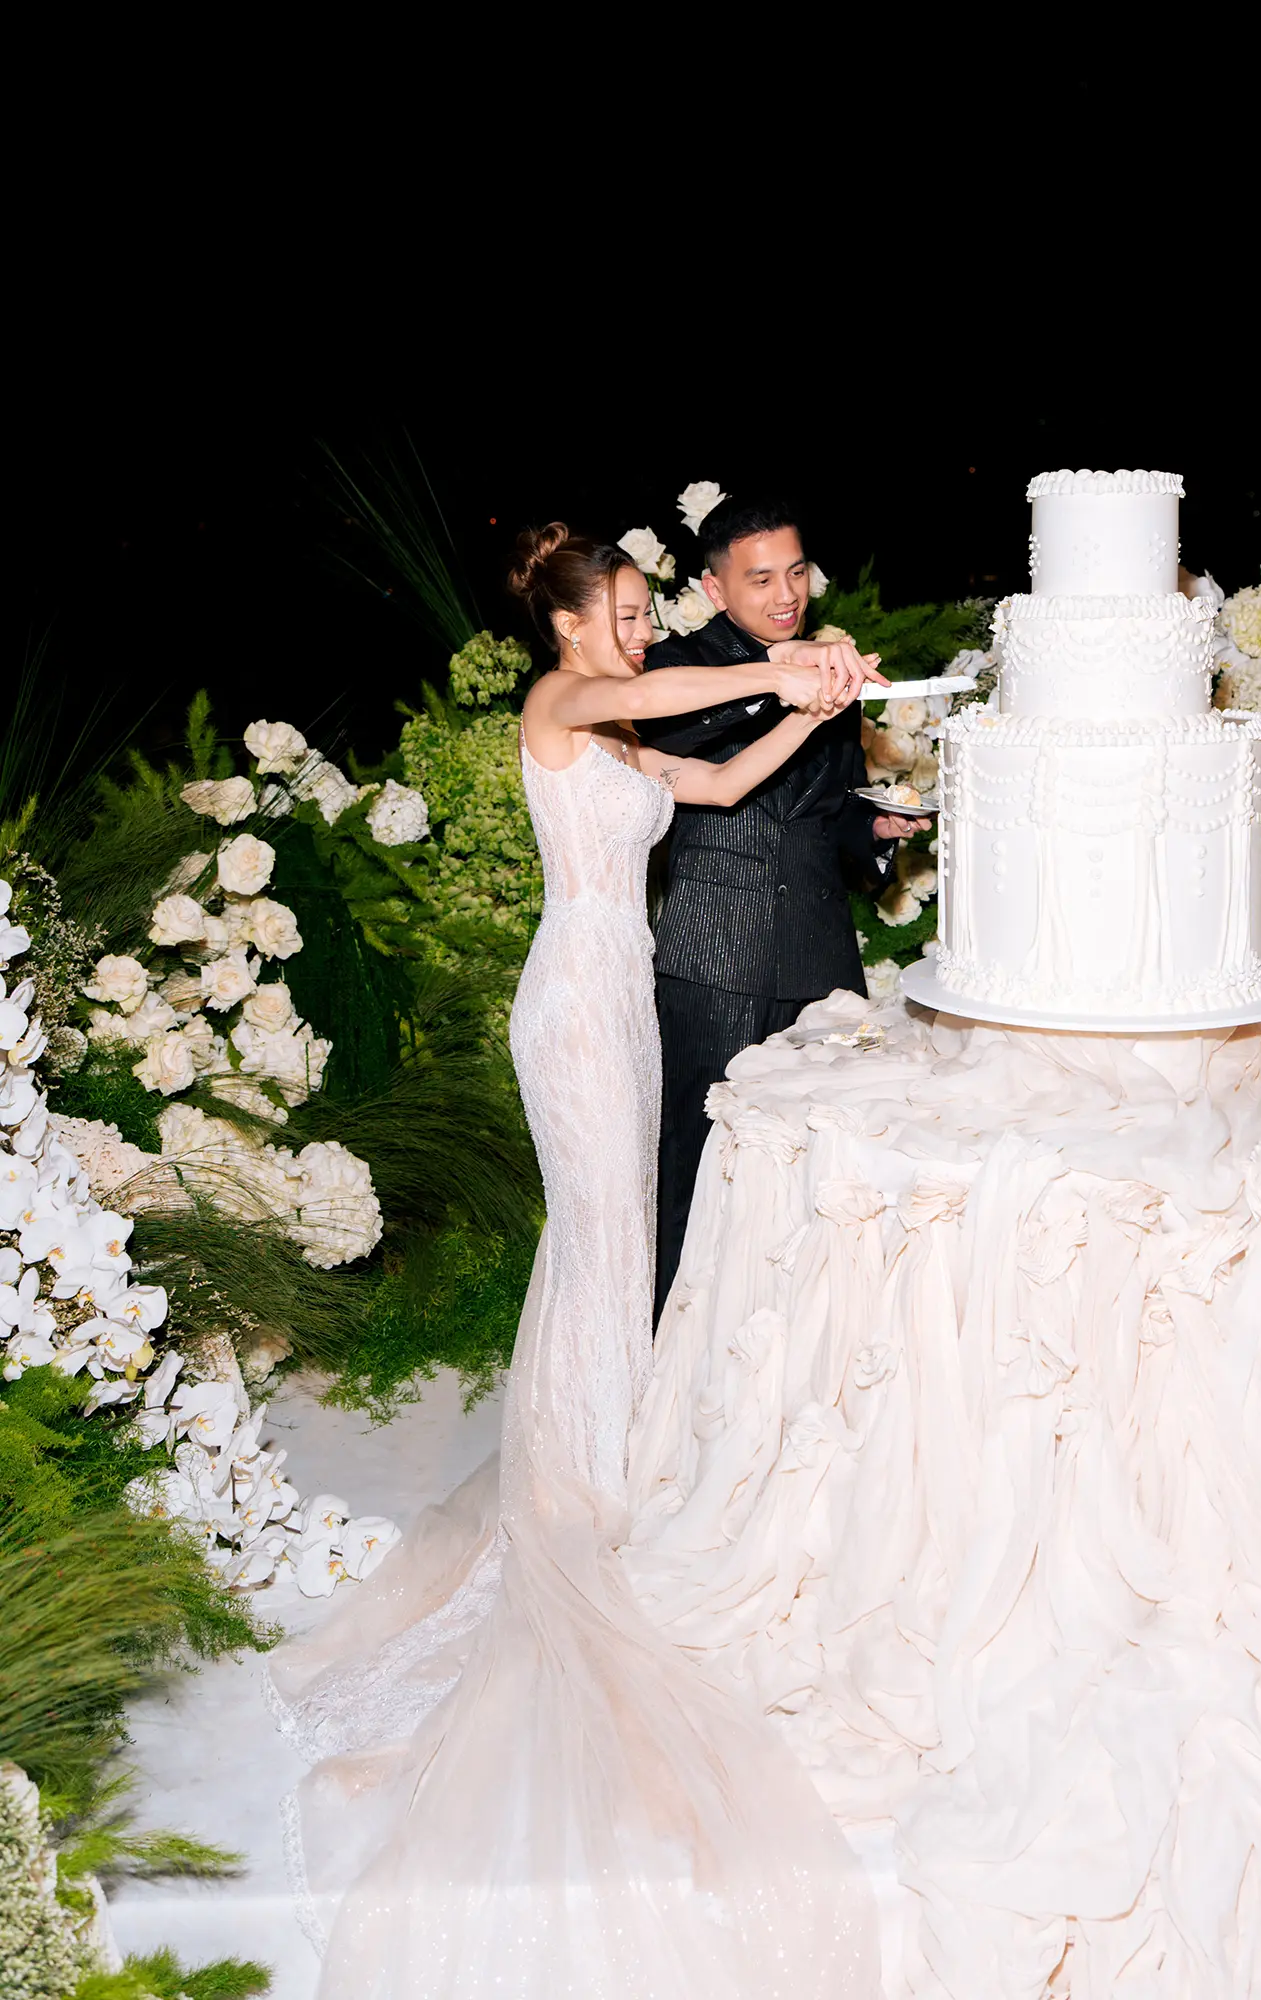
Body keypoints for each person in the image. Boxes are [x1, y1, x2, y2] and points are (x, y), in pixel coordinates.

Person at [267, 525, 882, 1999]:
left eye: (644, 609)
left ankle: (605, 1462)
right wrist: (781, 660)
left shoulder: (616, 731)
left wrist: (816, 704)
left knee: (615, 1247)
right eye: (623, 609)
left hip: (626, 1002)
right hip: (576, 1009)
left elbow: (714, 782)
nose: (640, 628)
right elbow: (658, 699)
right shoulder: (562, 704)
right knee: (603, 1238)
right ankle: (587, 1498)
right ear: (567, 624)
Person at [636, 498, 925, 1322]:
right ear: (714, 588)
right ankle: (670, 1345)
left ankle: (797, 1339)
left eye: (795, 571)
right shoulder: (674, 667)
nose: (786, 593)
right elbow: (678, 743)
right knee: (697, 1164)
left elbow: (827, 809)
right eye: (760, 578)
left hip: (821, 956)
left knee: (828, 1158)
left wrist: (874, 829)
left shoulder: (833, 668)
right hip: (713, 957)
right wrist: (783, 679)